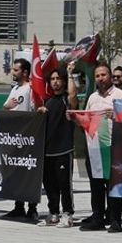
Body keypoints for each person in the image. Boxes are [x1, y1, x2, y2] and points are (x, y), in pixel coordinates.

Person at [74, 63, 122, 232]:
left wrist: (117, 115)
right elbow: (87, 120)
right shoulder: (92, 97)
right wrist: (76, 118)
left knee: (113, 185)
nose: (100, 78)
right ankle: (97, 218)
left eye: (103, 75)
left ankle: (115, 220)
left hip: (113, 146)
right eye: (97, 76)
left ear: (110, 75)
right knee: (96, 185)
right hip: (94, 147)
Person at [2, 58, 40, 222]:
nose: (13, 72)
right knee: (17, 173)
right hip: (14, 138)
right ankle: (19, 206)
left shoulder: (31, 89)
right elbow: (7, 107)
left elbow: (34, 110)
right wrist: (6, 107)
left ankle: (32, 208)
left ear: (25, 72)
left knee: (29, 174)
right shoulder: (15, 89)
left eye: (16, 70)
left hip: (28, 138)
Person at [38, 65, 77, 226]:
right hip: (47, 151)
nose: (55, 82)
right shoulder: (47, 102)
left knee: (64, 185)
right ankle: (53, 213)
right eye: (52, 79)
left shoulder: (66, 100)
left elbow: (73, 96)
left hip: (63, 149)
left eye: (58, 79)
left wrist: (69, 74)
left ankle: (67, 214)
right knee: (50, 185)